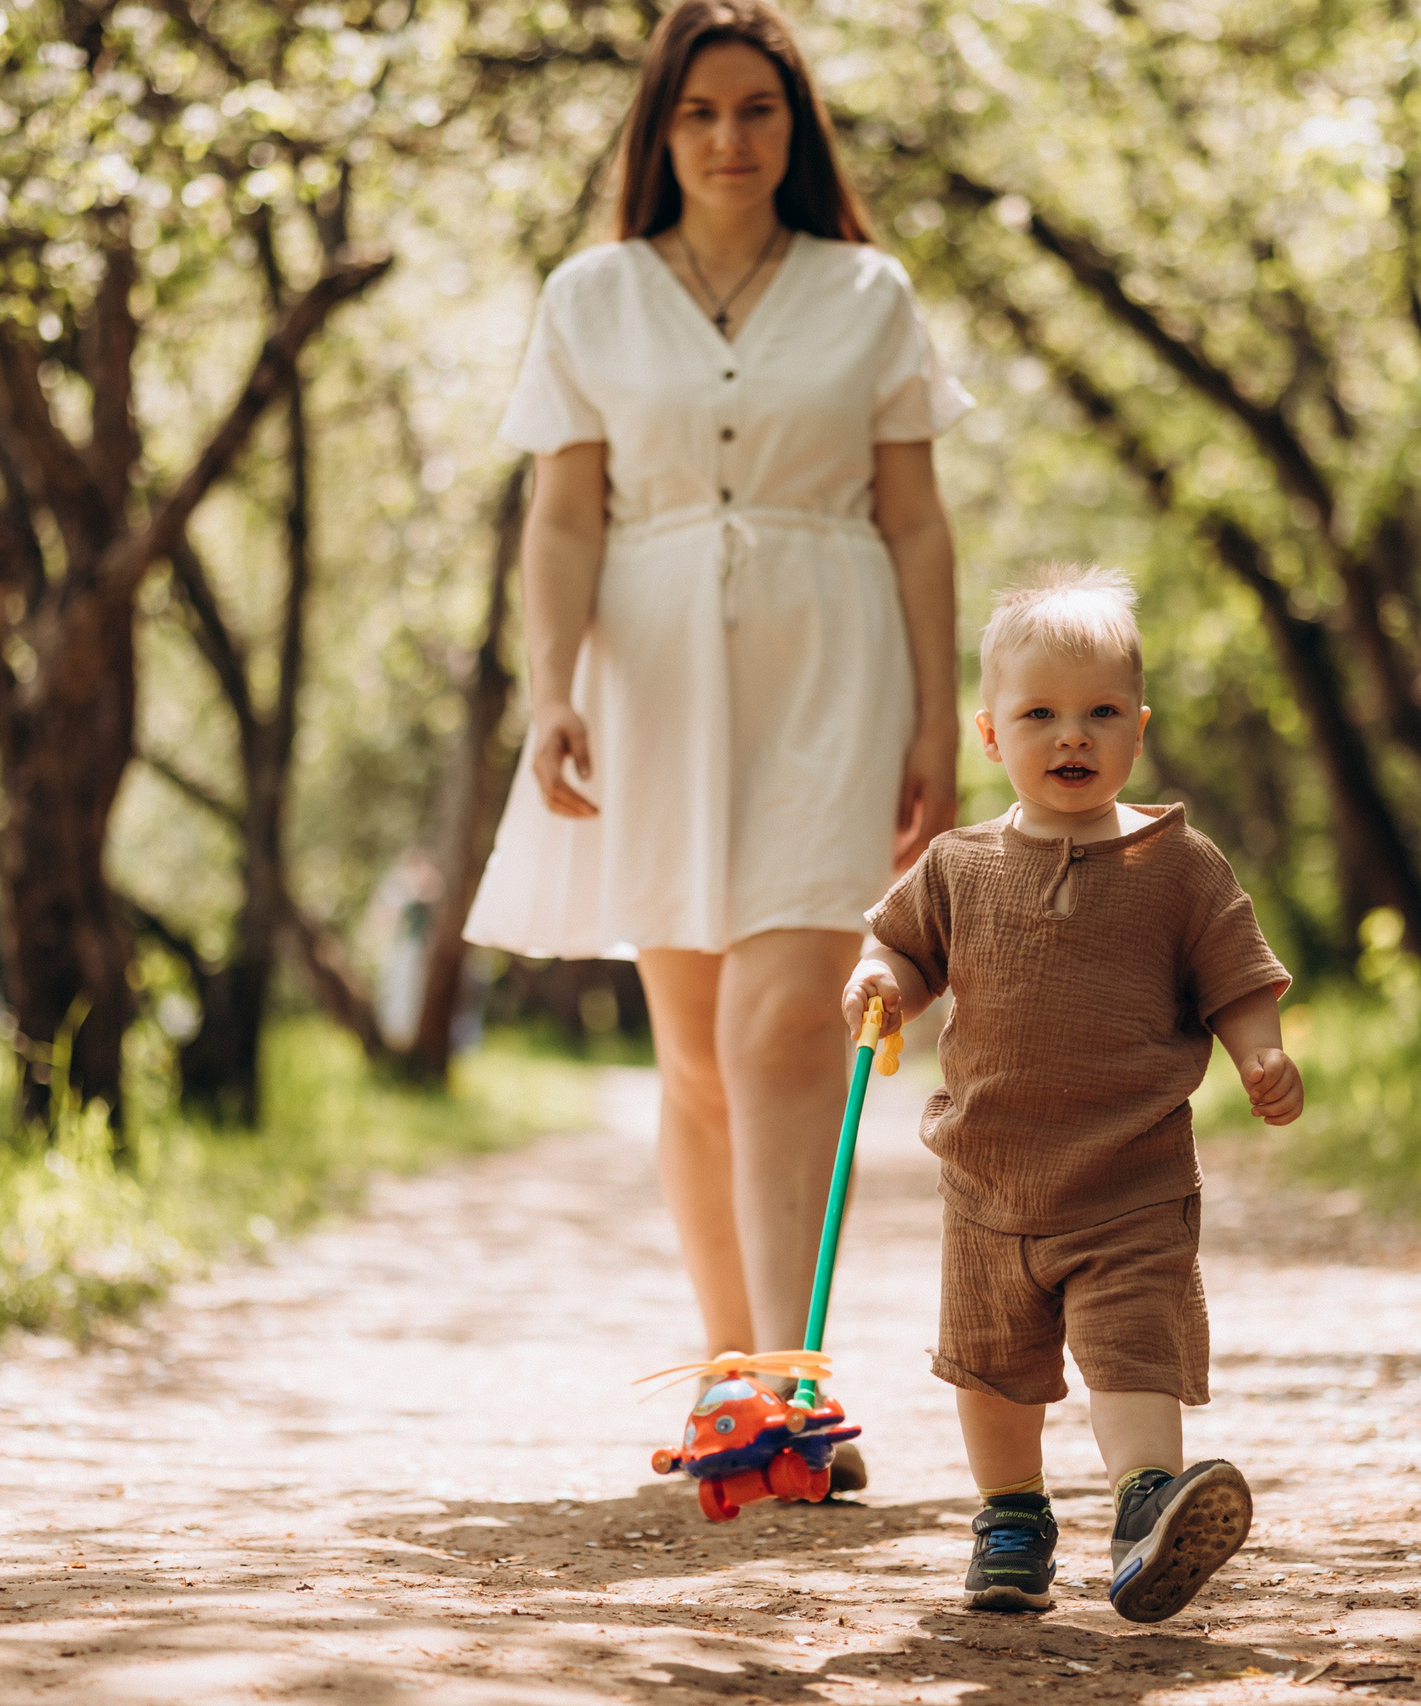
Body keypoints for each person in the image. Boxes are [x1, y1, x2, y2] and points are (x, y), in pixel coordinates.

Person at [462, 0, 970, 1488]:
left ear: (795, 128)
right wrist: (550, 687)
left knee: (782, 1026)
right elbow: (564, 514)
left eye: (759, 110)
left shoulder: (868, 291)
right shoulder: (594, 295)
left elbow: (917, 518)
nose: (732, 139)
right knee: (692, 1054)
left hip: (836, 662)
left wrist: (940, 722)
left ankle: (791, 1393)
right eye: (701, 114)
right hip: (652, 677)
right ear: (661, 132)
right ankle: (731, 1388)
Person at [842, 565, 1305, 1622]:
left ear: (1136, 731)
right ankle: (1011, 1517)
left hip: (1130, 1182)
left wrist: (1260, 1049)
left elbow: (1236, 971)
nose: (1071, 735)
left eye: (1100, 713)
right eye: (1039, 712)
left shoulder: (1178, 863)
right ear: (990, 734)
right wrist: (881, 983)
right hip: (990, 1184)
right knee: (993, 1371)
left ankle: (1147, 1507)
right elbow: (901, 947)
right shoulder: (958, 864)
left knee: (1133, 1349)